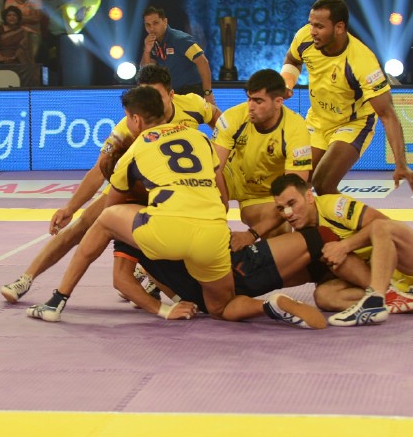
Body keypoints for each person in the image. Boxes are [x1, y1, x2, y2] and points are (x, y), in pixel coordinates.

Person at [26, 86, 322, 327]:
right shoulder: (199, 137)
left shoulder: (135, 149)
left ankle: (57, 300)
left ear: (136, 120)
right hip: (214, 234)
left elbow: (113, 207)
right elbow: (221, 191)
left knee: (105, 219)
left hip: (167, 232)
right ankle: (268, 305)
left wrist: (162, 309)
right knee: (221, 307)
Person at [1, 64, 217, 303]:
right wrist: (69, 208)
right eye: (142, 94)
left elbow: (220, 122)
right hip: (136, 188)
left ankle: (151, 279)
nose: (146, 101)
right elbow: (99, 170)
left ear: (170, 94)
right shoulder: (129, 126)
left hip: (177, 189)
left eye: (154, 95)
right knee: (85, 225)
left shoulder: (194, 105)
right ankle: (26, 278)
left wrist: (222, 153)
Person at [280, 0, 413, 195]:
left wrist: (401, 164)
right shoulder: (305, 38)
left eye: (319, 26)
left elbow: (387, 114)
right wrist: (287, 83)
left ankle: (360, 224)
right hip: (318, 121)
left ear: (339, 27)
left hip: (352, 124)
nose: (312, 31)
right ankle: (315, 226)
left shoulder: (362, 61)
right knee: (294, 186)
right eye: (311, 24)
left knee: (323, 184)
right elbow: (292, 59)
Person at [270, 174, 413, 326]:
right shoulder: (303, 233)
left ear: (308, 196)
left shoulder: (333, 205)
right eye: (281, 208)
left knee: (380, 227)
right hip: (381, 275)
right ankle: (401, 295)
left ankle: (376, 300)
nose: (288, 213)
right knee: (324, 296)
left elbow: (383, 224)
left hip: (412, 258)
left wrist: (344, 246)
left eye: (292, 203)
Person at [111, 230, 340, 327]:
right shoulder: (163, 206)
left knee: (221, 309)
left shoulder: (122, 226)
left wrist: (165, 308)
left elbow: (122, 279)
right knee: (318, 239)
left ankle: (269, 305)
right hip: (226, 266)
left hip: (201, 298)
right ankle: (373, 286)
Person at [212, 68, 312, 245]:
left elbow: (293, 192)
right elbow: (214, 168)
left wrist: (251, 234)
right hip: (231, 178)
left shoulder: (296, 129)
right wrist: (222, 206)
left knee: (281, 229)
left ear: (278, 102)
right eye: (249, 98)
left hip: (264, 195)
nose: (251, 106)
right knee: (199, 189)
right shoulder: (233, 118)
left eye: (258, 101)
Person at [140, 5, 212, 97]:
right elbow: (146, 71)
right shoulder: (151, 43)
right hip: (171, 94)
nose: (152, 28)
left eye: (156, 23)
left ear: (165, 21)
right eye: (148, 25)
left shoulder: (180, 39)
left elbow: (203, 62)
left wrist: (208, 92)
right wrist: (146, 51)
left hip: (191, 93)